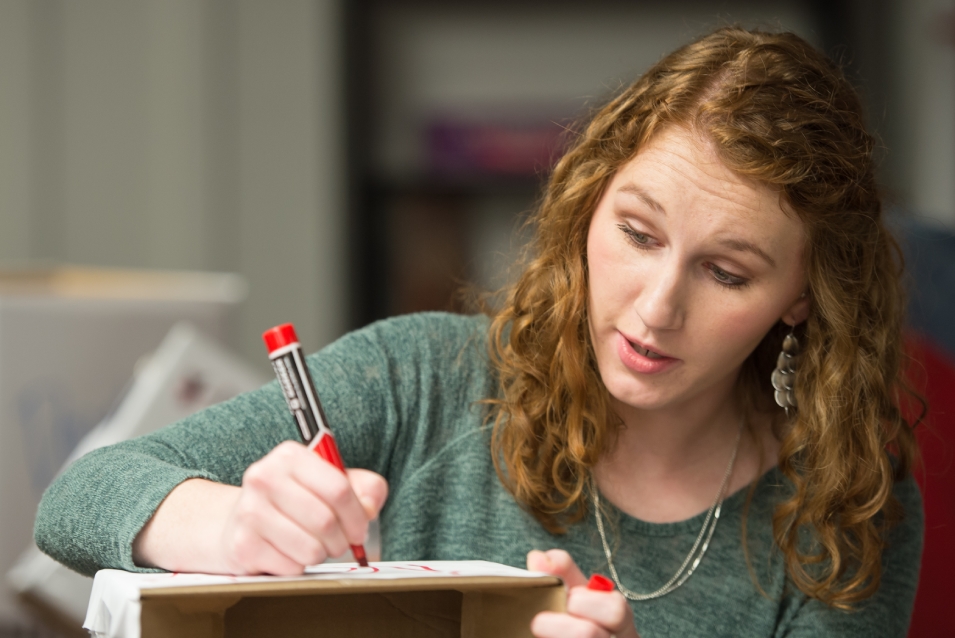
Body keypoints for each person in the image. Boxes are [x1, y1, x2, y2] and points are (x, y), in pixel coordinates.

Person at [35, 26, 922, 637]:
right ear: (585, 207)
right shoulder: (421, 376)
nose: (656, 307)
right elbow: (77, 498)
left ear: (802, 295)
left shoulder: (847, 499)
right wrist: (229, 529)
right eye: (636, 234)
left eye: (726, 273)